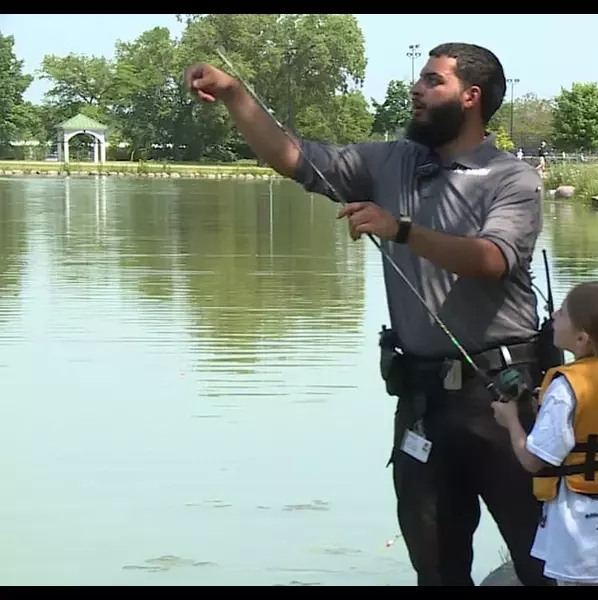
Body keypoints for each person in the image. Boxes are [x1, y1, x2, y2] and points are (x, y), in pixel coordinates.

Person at [185, 42, 558, 587]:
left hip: (504, 400)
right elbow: (295, 159)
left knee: (540, 560)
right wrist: (235, 95)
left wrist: (400, 228)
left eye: (433, 80)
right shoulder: (390, 161)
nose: (416, 88)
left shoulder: (511, 179)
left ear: (470, 97)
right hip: (423, 403)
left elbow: (491, 259)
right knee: (435, 569)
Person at [490, 280, 598, 586]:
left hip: (578, 521)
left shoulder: (565, 386)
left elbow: (533, 460)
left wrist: (510, 420)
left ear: (581, 337)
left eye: (561, 313)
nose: (554, 316)